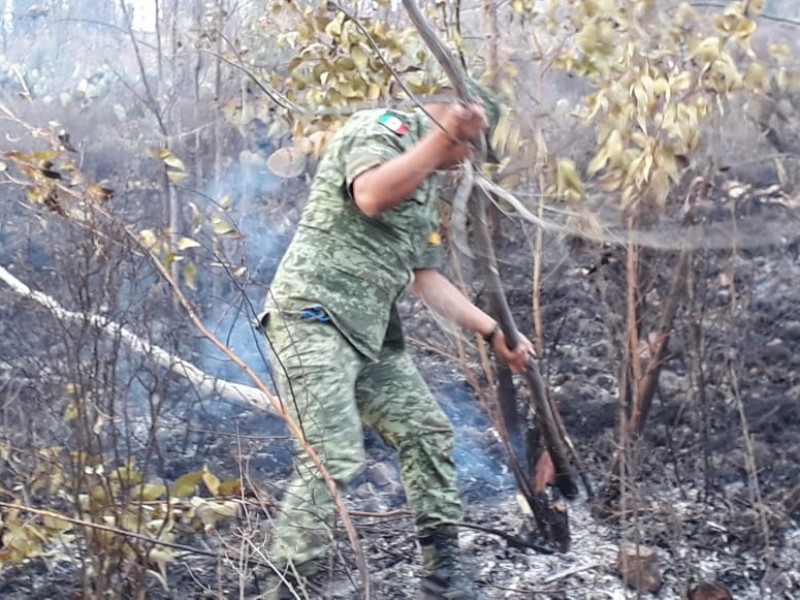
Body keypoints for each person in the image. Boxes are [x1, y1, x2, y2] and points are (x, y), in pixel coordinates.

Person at [259, 86, 535, 599]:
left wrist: (492, 331)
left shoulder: (426, 182)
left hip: (370, 337)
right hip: (312, 318)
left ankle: (442, 577)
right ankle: (286, 587)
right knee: (333, 456)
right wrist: (445, 137)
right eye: (469, 146)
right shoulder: (381, 129)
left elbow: (424, 277)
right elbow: (369, 195)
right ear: (450, 126)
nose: (463, 161)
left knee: (428, 432)